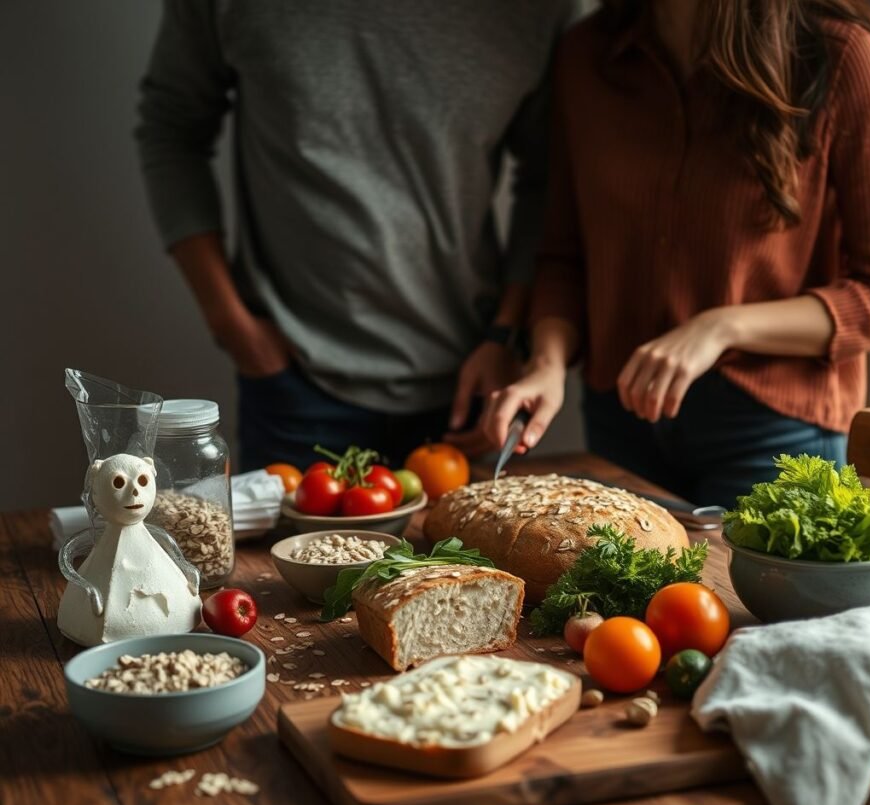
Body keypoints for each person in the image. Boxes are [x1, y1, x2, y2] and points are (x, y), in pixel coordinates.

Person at [481, 0, 870, 507]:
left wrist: (719, 327)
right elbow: (564, 255)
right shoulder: (585, 54)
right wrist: (545, 363)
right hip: (621, 420)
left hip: (773, 432)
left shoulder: (840, 56)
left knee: (740, 592)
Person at [136, 0, 585, 471]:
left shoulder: (540, 9)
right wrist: (230, 323)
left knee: (469, 547)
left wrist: (507, 332)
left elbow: (547, 179)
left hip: (473, 377)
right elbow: (172, 129)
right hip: (295, 383)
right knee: (273, 550)